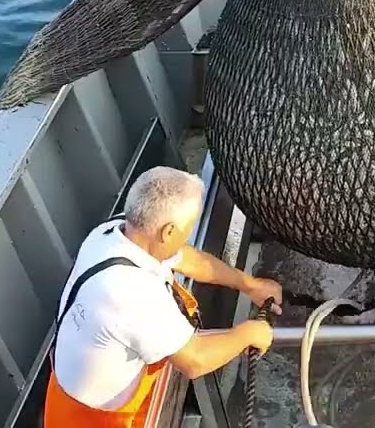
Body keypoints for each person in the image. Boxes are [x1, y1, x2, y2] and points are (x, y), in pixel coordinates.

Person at [44, 166, 284, 427]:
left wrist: (249, 285)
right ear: (168, 231)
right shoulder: (128, 293)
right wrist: (249, 334)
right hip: (94, 419)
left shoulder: (118, 232)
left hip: (91, 388)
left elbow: (188, 259)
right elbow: (194, 360)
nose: (185, 239)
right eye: (188, 228)